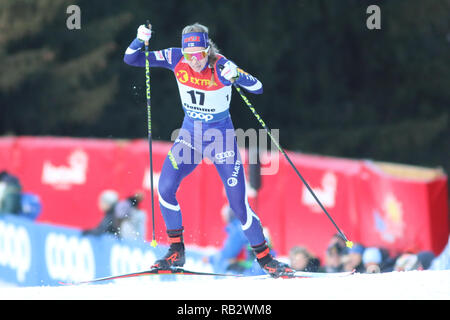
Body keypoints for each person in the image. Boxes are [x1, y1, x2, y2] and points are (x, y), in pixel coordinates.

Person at [123, 22, 293, 277]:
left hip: (221, 140)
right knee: (165, 189)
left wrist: (239, 76)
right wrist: (139, 39)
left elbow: (258, 87)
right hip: (190, 137)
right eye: (190, 56)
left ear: (208, 50)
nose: (194, 61)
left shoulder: (221, 66)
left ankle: (266, 259)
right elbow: (132, 59)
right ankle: (176, 250)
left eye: (200, 55)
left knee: (238, 204)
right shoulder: (174, 57)